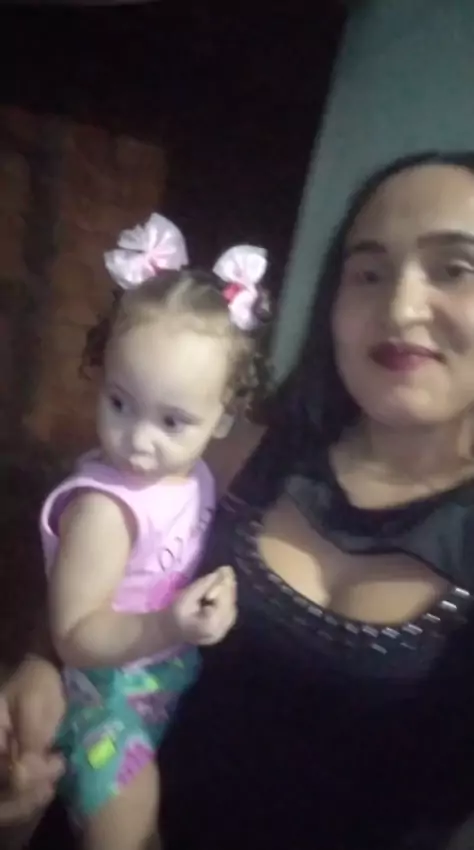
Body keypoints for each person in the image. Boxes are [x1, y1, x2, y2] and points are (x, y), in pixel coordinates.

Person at [6, 151, 474, 850]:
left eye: (456, 269)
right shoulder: (233, 453)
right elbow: (96, 572)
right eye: (369, 273)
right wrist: (41, 663)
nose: (401, 308)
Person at [32, 213, 270, 850]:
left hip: (163, 677)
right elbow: (75, 636)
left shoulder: (194, 476)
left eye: (172, 421)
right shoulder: (105, 510)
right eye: (119, 403)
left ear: (224, 418)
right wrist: (169, 626)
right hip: (106, 697)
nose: (137, 440)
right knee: (132, 830)